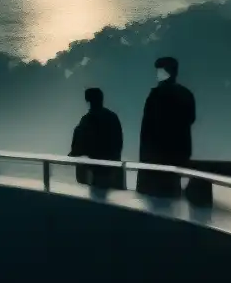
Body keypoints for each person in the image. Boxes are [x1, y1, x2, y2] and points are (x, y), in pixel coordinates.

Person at [137, 55, 195, 198]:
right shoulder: (186, 94)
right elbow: (191, 119)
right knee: (171, 191)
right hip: (179, 154)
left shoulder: (156, 95)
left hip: (156, 156)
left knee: (155, 197)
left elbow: (148, 128)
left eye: (160, 70)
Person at [69, 86, 125, 189]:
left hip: (96, 169)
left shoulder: (87, 120)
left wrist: (75, 153)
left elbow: (78, 144)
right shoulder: (112, 117)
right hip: (112, 167)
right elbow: (118, 143)